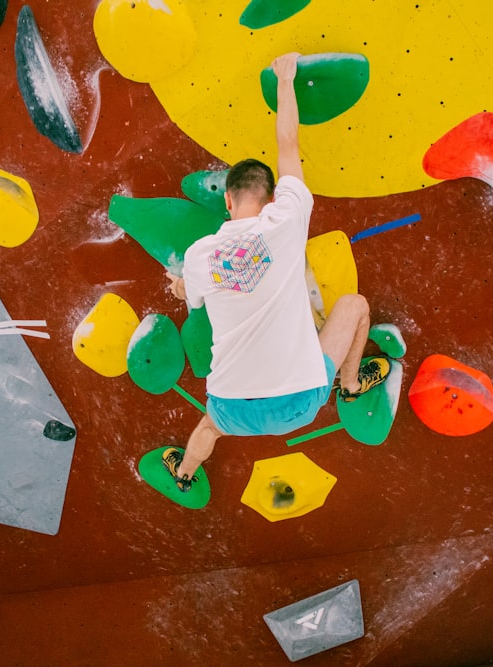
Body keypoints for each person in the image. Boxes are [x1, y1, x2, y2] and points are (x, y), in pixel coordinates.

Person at [162, 52, 391, 492]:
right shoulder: (287, 218)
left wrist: (180, 284)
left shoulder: (200, 255)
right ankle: (349, 384)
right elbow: (289, 145)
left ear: (227, 202)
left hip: (232, 407)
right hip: (300, 404)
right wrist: (286, 77)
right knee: (356, 307)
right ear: (271, 199)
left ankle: (186, 473)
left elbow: (185, 292)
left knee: (208, 429)